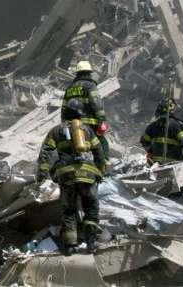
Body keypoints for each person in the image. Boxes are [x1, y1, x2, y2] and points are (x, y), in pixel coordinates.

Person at [37, 99, 106, 255]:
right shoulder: (87, 130)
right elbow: (99, 152)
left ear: (65, 112)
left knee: (69, 211)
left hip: (67, 176)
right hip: (87, 175)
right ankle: (91, 242)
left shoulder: (55, 131)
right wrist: (101, 171)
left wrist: (41, 174)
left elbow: (45, 153)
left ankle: (71, 245)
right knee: (91, 208)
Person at [61, 60, 110, 157]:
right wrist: (102, 120)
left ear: (78, 73)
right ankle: (103, 166)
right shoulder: (90, 86)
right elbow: (96, 104)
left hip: (72, 126)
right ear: (89, 73)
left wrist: (64, 124)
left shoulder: (69, 88)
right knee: (102, 144)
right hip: (90, 124)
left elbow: (63, 108)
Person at [140, 97, 183, 164]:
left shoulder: (152, 127)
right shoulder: (176, 125)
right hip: (174, 163)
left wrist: (151, 152)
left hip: (157, 165)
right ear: (172, 109)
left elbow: (144, 142)